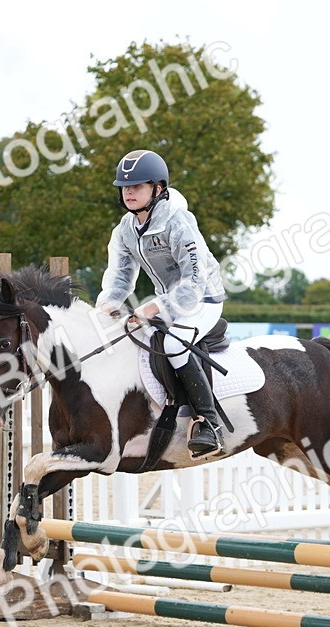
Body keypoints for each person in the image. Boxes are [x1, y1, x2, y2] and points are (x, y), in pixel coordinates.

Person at [97, 149, 227, 458]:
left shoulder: (178, 222)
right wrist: (106, 307)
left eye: (137, 186)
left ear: (158, 189)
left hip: (203, 298)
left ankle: (209, 423)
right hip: (167, 300)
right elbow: (119, 279)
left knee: (172, 343)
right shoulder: (125, 231)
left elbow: (193, 282)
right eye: (125, 187)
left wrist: (153, 308)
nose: (129, 192)